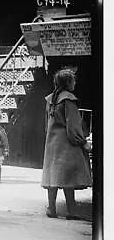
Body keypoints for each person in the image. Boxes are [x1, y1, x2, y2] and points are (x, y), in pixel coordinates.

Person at [41, 68, 92, 220]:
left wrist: (49, 138)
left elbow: (46, 124)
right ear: (68, 82)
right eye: (73, 81)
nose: (75, 83)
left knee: (53, 175)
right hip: (67, 143)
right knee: (68, 176)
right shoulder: (68, 100)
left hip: (52, 142)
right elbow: (73, 125)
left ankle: (51, 208)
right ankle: (71, 210)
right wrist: (82, 142)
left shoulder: (50, 99)